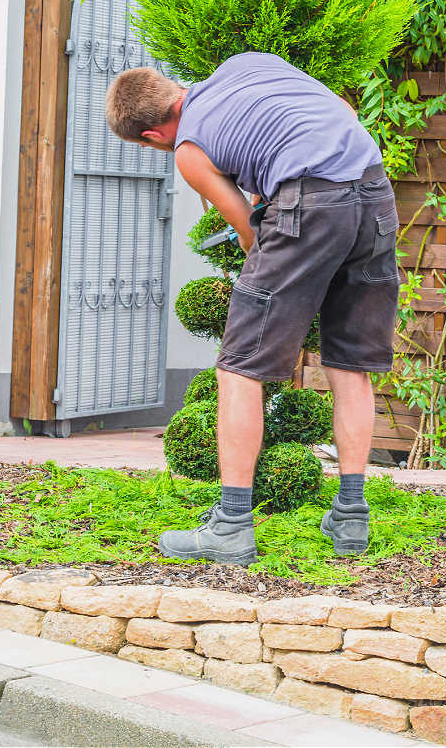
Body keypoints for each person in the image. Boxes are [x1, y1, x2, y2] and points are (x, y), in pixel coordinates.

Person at [105, 51, 399, 565]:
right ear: (170, 85)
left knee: (240, 370)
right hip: (374, 195)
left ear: (151, 136)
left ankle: (232, 526)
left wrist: (281, 215)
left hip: (309, 205)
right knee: (351, 365)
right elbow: (346, 115)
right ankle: (352, 514)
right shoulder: (249, 63)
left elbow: (248, 232)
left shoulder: (189, 152)